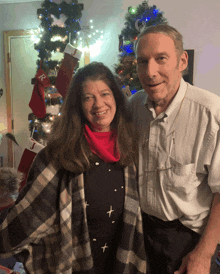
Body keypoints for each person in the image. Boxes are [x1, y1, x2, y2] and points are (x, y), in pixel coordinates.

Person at [0, 62, 147, 274]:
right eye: (88, 97)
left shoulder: (130, 147)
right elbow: (27, 219)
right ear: (78, 104)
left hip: (119, 263)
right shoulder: (56, 156)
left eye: (105, 94)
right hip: (72, 266)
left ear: (116, 97)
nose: (98, 104)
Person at [128, 24, 220, 274]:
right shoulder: (132, 107)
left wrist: (203, 254)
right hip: (140, 233)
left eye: (161, 59)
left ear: (182, 61)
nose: (150, 72)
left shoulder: (211, 113)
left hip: (189, 241)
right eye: (142, 61)